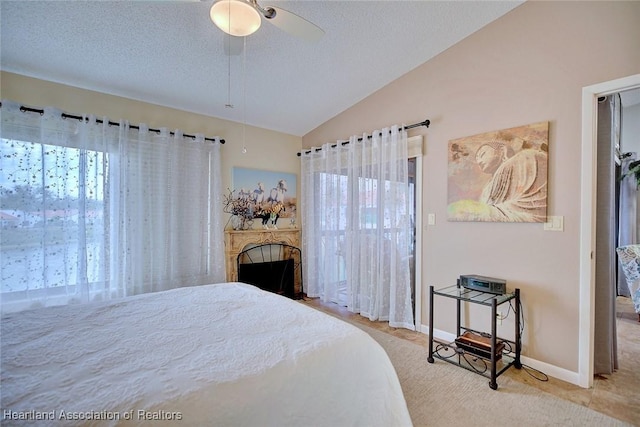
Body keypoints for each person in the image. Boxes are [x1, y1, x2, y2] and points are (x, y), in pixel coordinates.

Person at [448, 141, 547, 222]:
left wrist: (482, 210)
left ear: (502, 150)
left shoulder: (525, 157)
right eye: (477, 160)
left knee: (462, 207)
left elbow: (536, 204)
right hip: (497, 215)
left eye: (483, 154)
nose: (479, 161)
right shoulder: (488, 186)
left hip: (520, 214)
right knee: (458, 209)